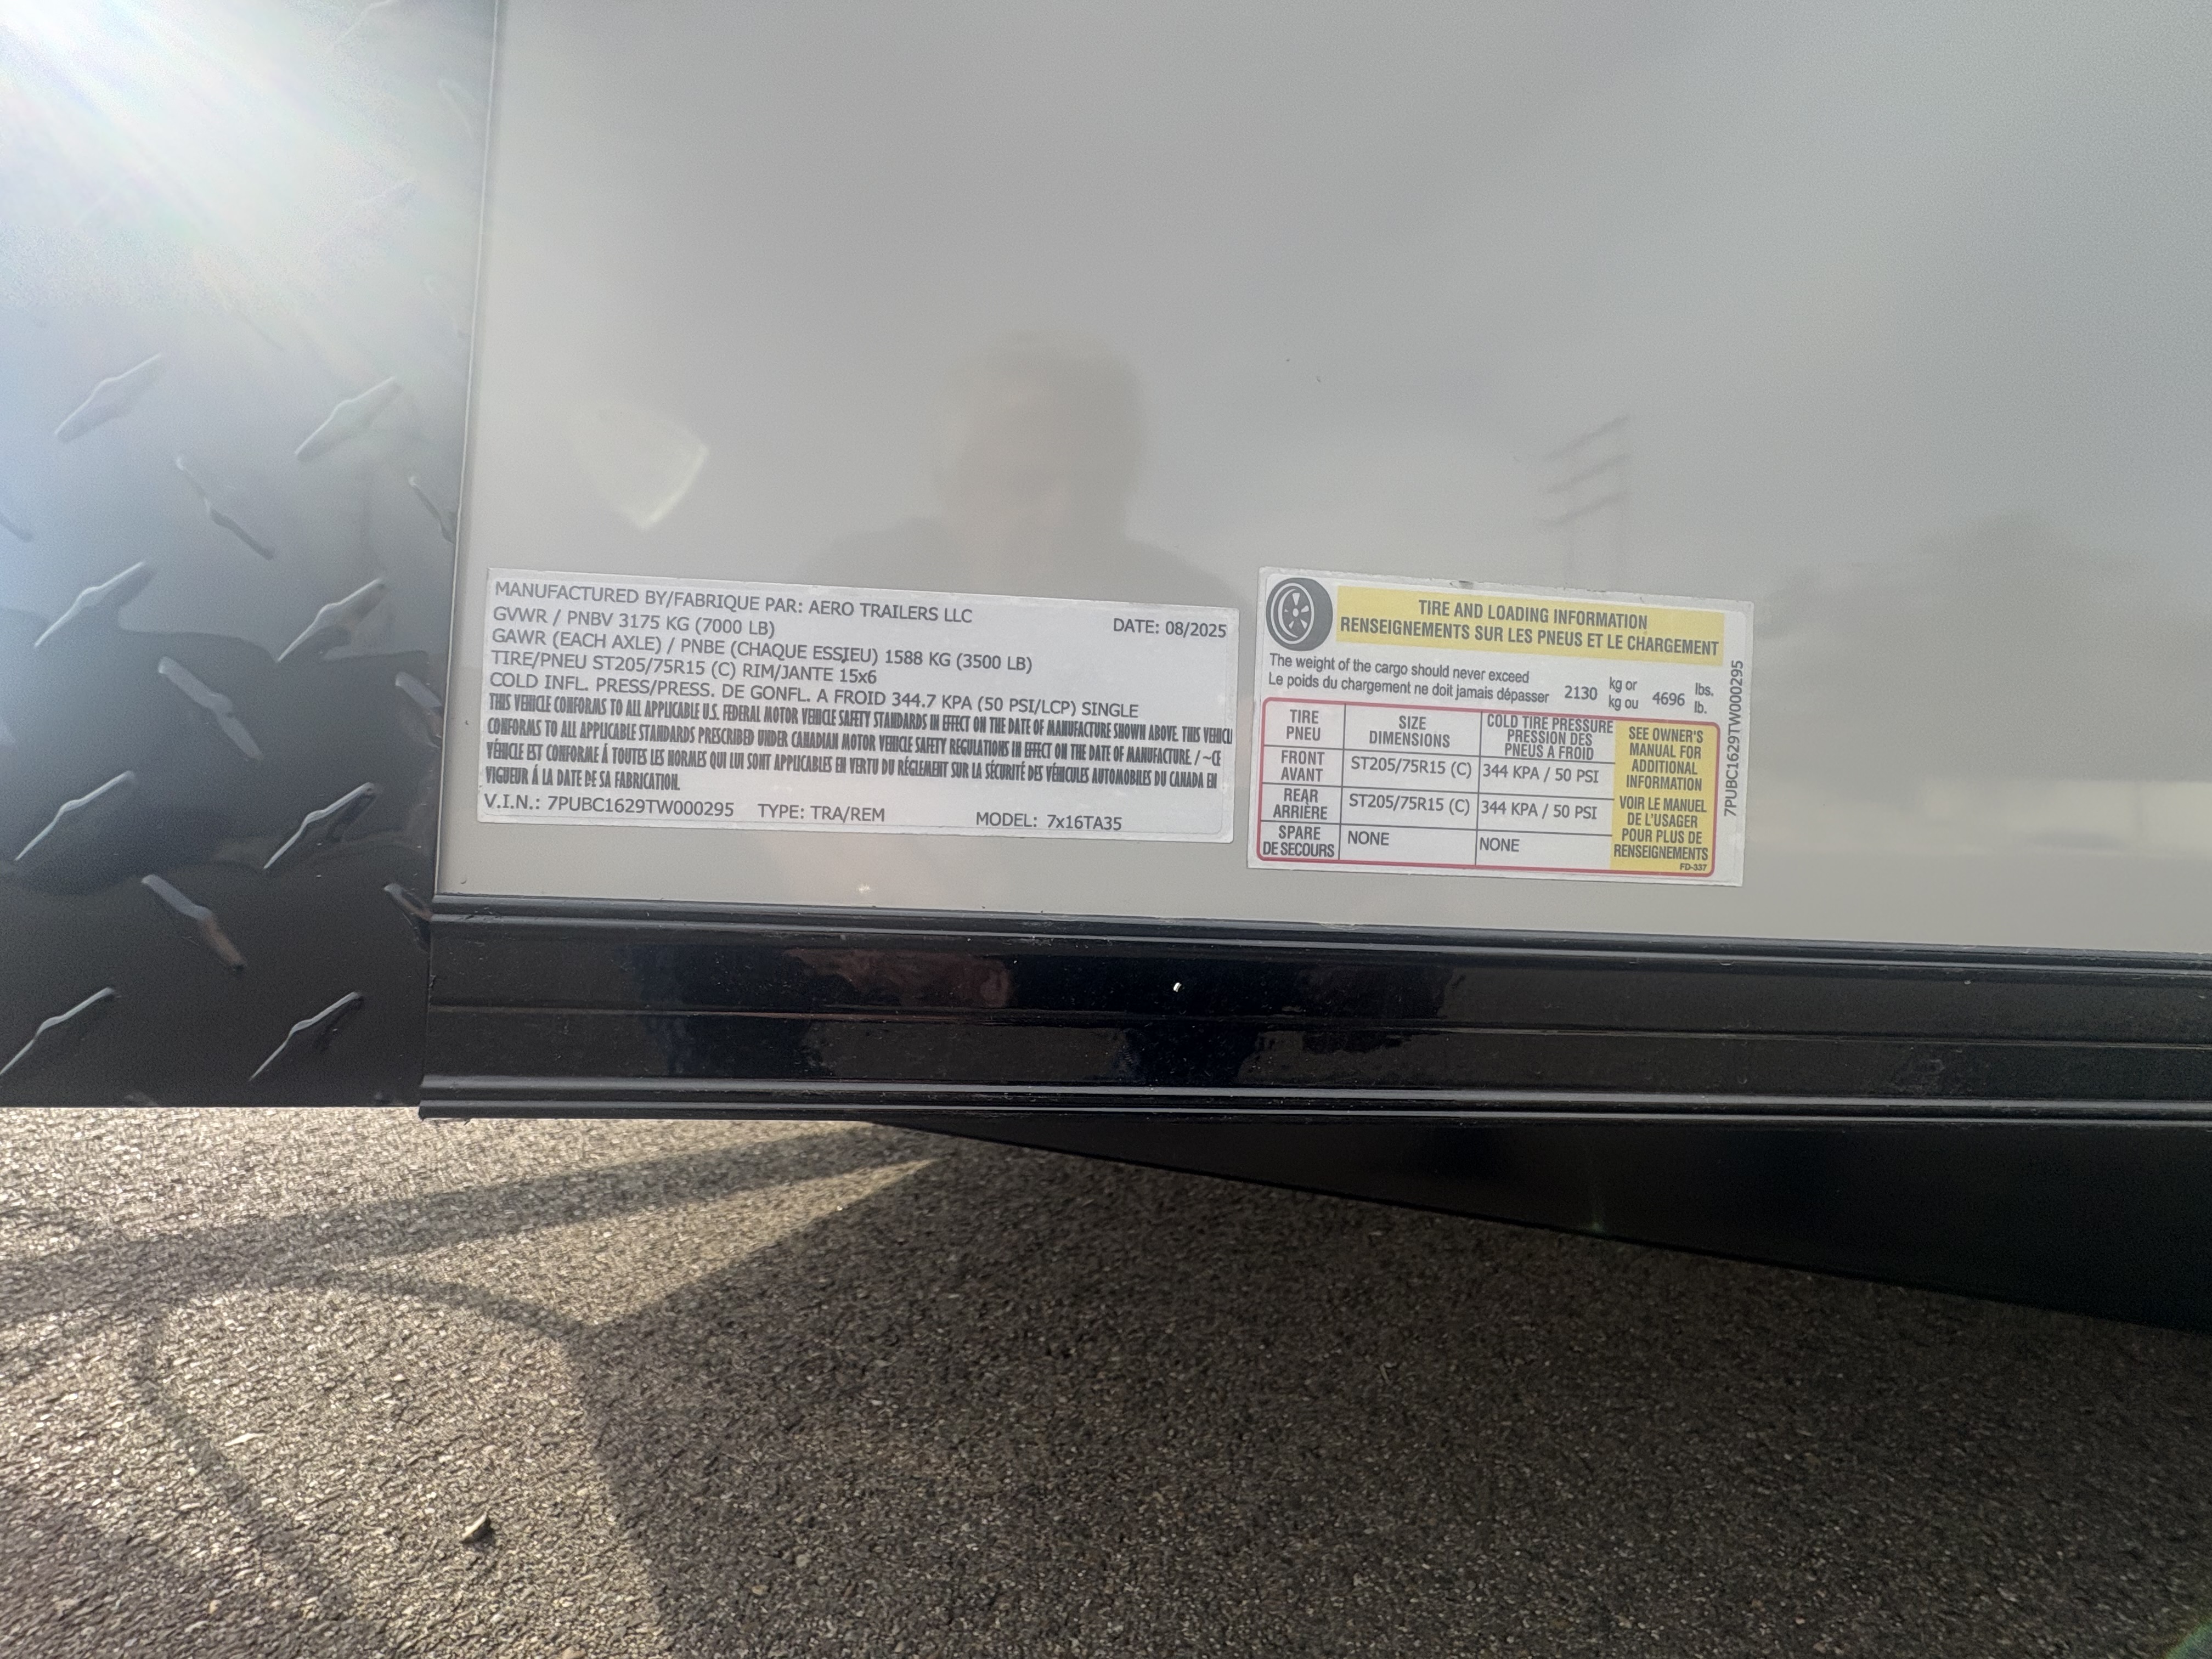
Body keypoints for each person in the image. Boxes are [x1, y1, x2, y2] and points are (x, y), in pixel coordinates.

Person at [804, 331, 1234, 608]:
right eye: (1026, 485)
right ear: (953, 489)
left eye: (1094, 486)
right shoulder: (849, 594)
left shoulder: (1202, 622)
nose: (1062, 517)